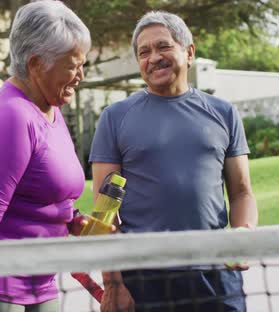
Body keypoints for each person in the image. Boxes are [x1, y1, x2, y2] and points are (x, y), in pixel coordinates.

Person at [89, 11, 258, 312]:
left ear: (189, 52)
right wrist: (113, 283)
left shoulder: (224, 113)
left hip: (217, 274)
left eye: (163, 46)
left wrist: (243, 235)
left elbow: (242, 192)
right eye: (144, 52)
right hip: (144, 278)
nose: (154, 57)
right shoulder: (114, 119)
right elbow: (105, 211)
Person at [0, 1, 92, 311]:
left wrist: (74, 221)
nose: (81, 75)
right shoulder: (11, 117)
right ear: (36, 65)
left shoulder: (50, 107)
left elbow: (42, 190)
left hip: (40, 278)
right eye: (73, 65)